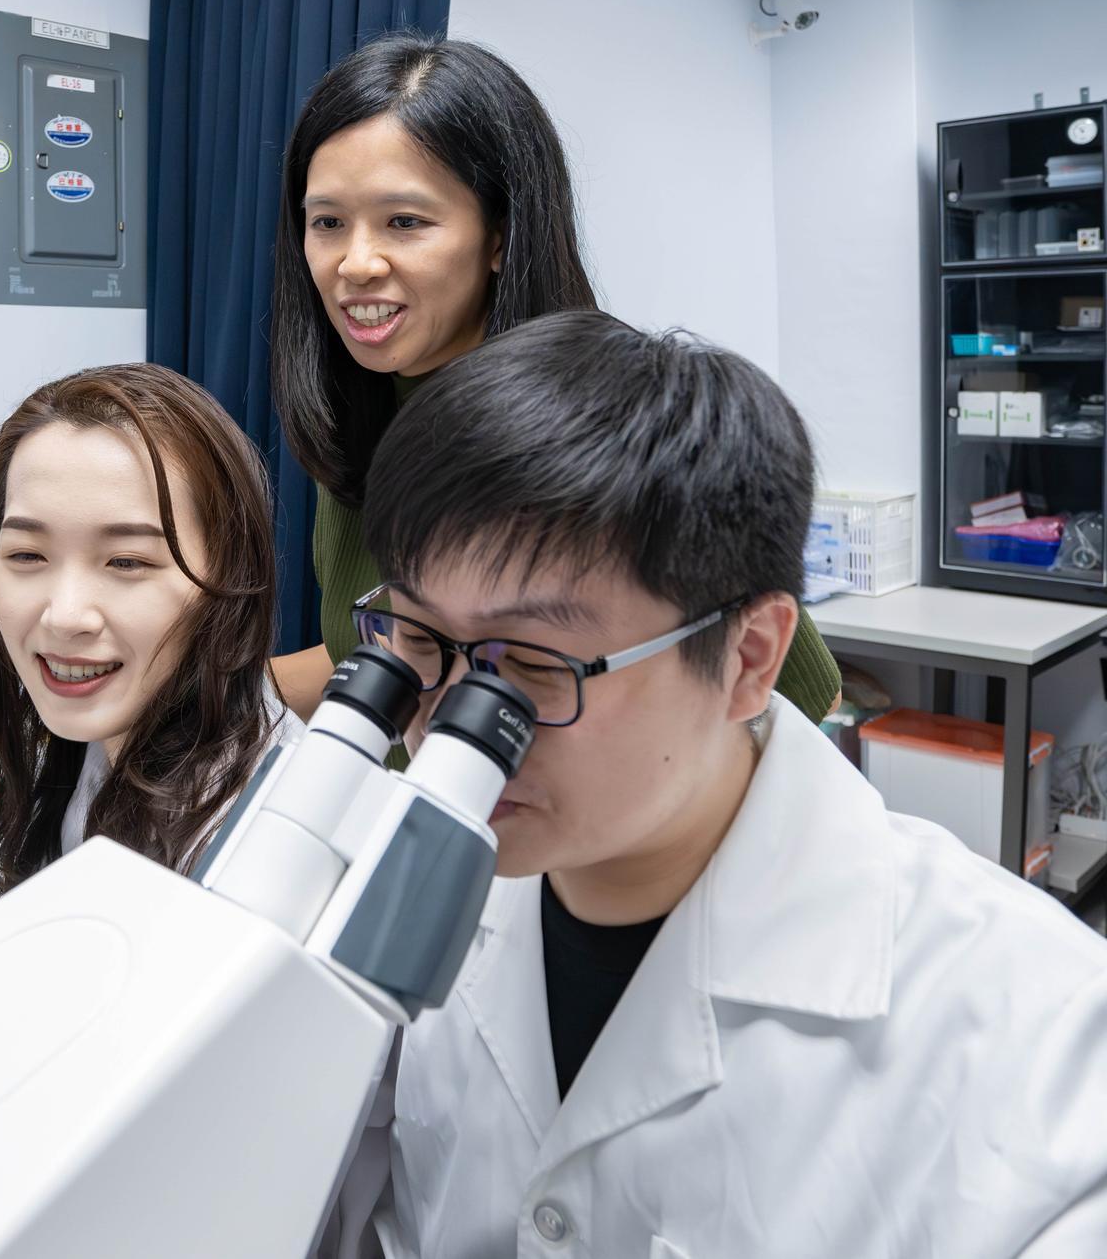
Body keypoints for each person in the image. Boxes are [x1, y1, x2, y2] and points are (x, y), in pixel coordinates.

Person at [354, 311, 1107, 1254]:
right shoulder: (376, 890)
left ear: (749, 655)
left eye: (534, 665)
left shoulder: (1042, 1043)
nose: (453, 722)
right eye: (421, 640)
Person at [266, 33, 843, 725]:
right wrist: (209, 696)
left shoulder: (620, 420)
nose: (355, 263)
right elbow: (403, 654)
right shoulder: (360, 416)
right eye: (327, 221)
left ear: (501, 237)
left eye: (405, 221)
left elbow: (800, 694)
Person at [0, 363, 304, 899]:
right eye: (27, 554)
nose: (65, 616)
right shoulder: (112, 740)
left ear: (229, 578)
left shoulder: (250, 868)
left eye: (126, 562)